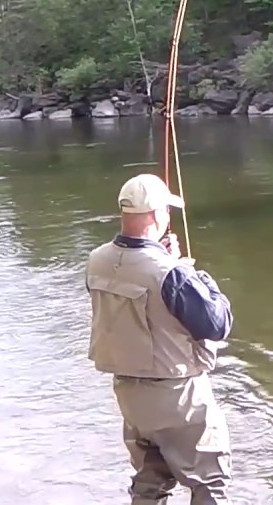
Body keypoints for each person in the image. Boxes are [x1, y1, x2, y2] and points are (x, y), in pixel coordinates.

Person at [85, 172, 234, 504]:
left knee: (150, 482)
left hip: (131, 399)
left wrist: (168, 261)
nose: (168, 217)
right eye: (167, 210)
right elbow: (217, 324)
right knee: (210, 481)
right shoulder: (170, 273)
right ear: (156, 215)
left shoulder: (96, 262)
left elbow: (140, 300)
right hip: (179, 398)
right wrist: (191, 273)